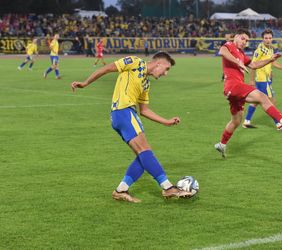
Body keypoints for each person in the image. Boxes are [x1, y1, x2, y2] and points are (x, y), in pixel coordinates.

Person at [71, 52, 192, 202]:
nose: (165, 74)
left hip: (126, 114)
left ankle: (121, 190)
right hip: (123, 111)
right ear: (158, 64)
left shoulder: (146, 83)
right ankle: (168, 188)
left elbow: (145, 110)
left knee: (143, 157)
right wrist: (85, 83)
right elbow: (107, 68)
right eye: (166, 69)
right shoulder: (135, 62)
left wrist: (166, 121)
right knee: (145, 152)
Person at [214, 29, 282, 158]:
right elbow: (222, 51)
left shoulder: (241, 53)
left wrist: (270, 59)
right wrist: (238, 62)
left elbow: (254, 64)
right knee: (261, 97)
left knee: (236, 121)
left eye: (247, 40)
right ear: (235, 37)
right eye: (242, 38)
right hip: (233, 85)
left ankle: (222, 144)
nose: (244, 42)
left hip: (234, 89)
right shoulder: (229, 45)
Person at [243, 29, 282, 129]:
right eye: (266, 38)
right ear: (262, 39)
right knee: (271, 102)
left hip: (266, 79)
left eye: (270, 38)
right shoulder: (260, 50)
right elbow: (253, 65)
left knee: (257, 101)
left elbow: (272, 62)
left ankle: (247, 121)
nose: (268, 40)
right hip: (262, 80)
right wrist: (251, 80)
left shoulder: (270, 49)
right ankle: (279, 124)